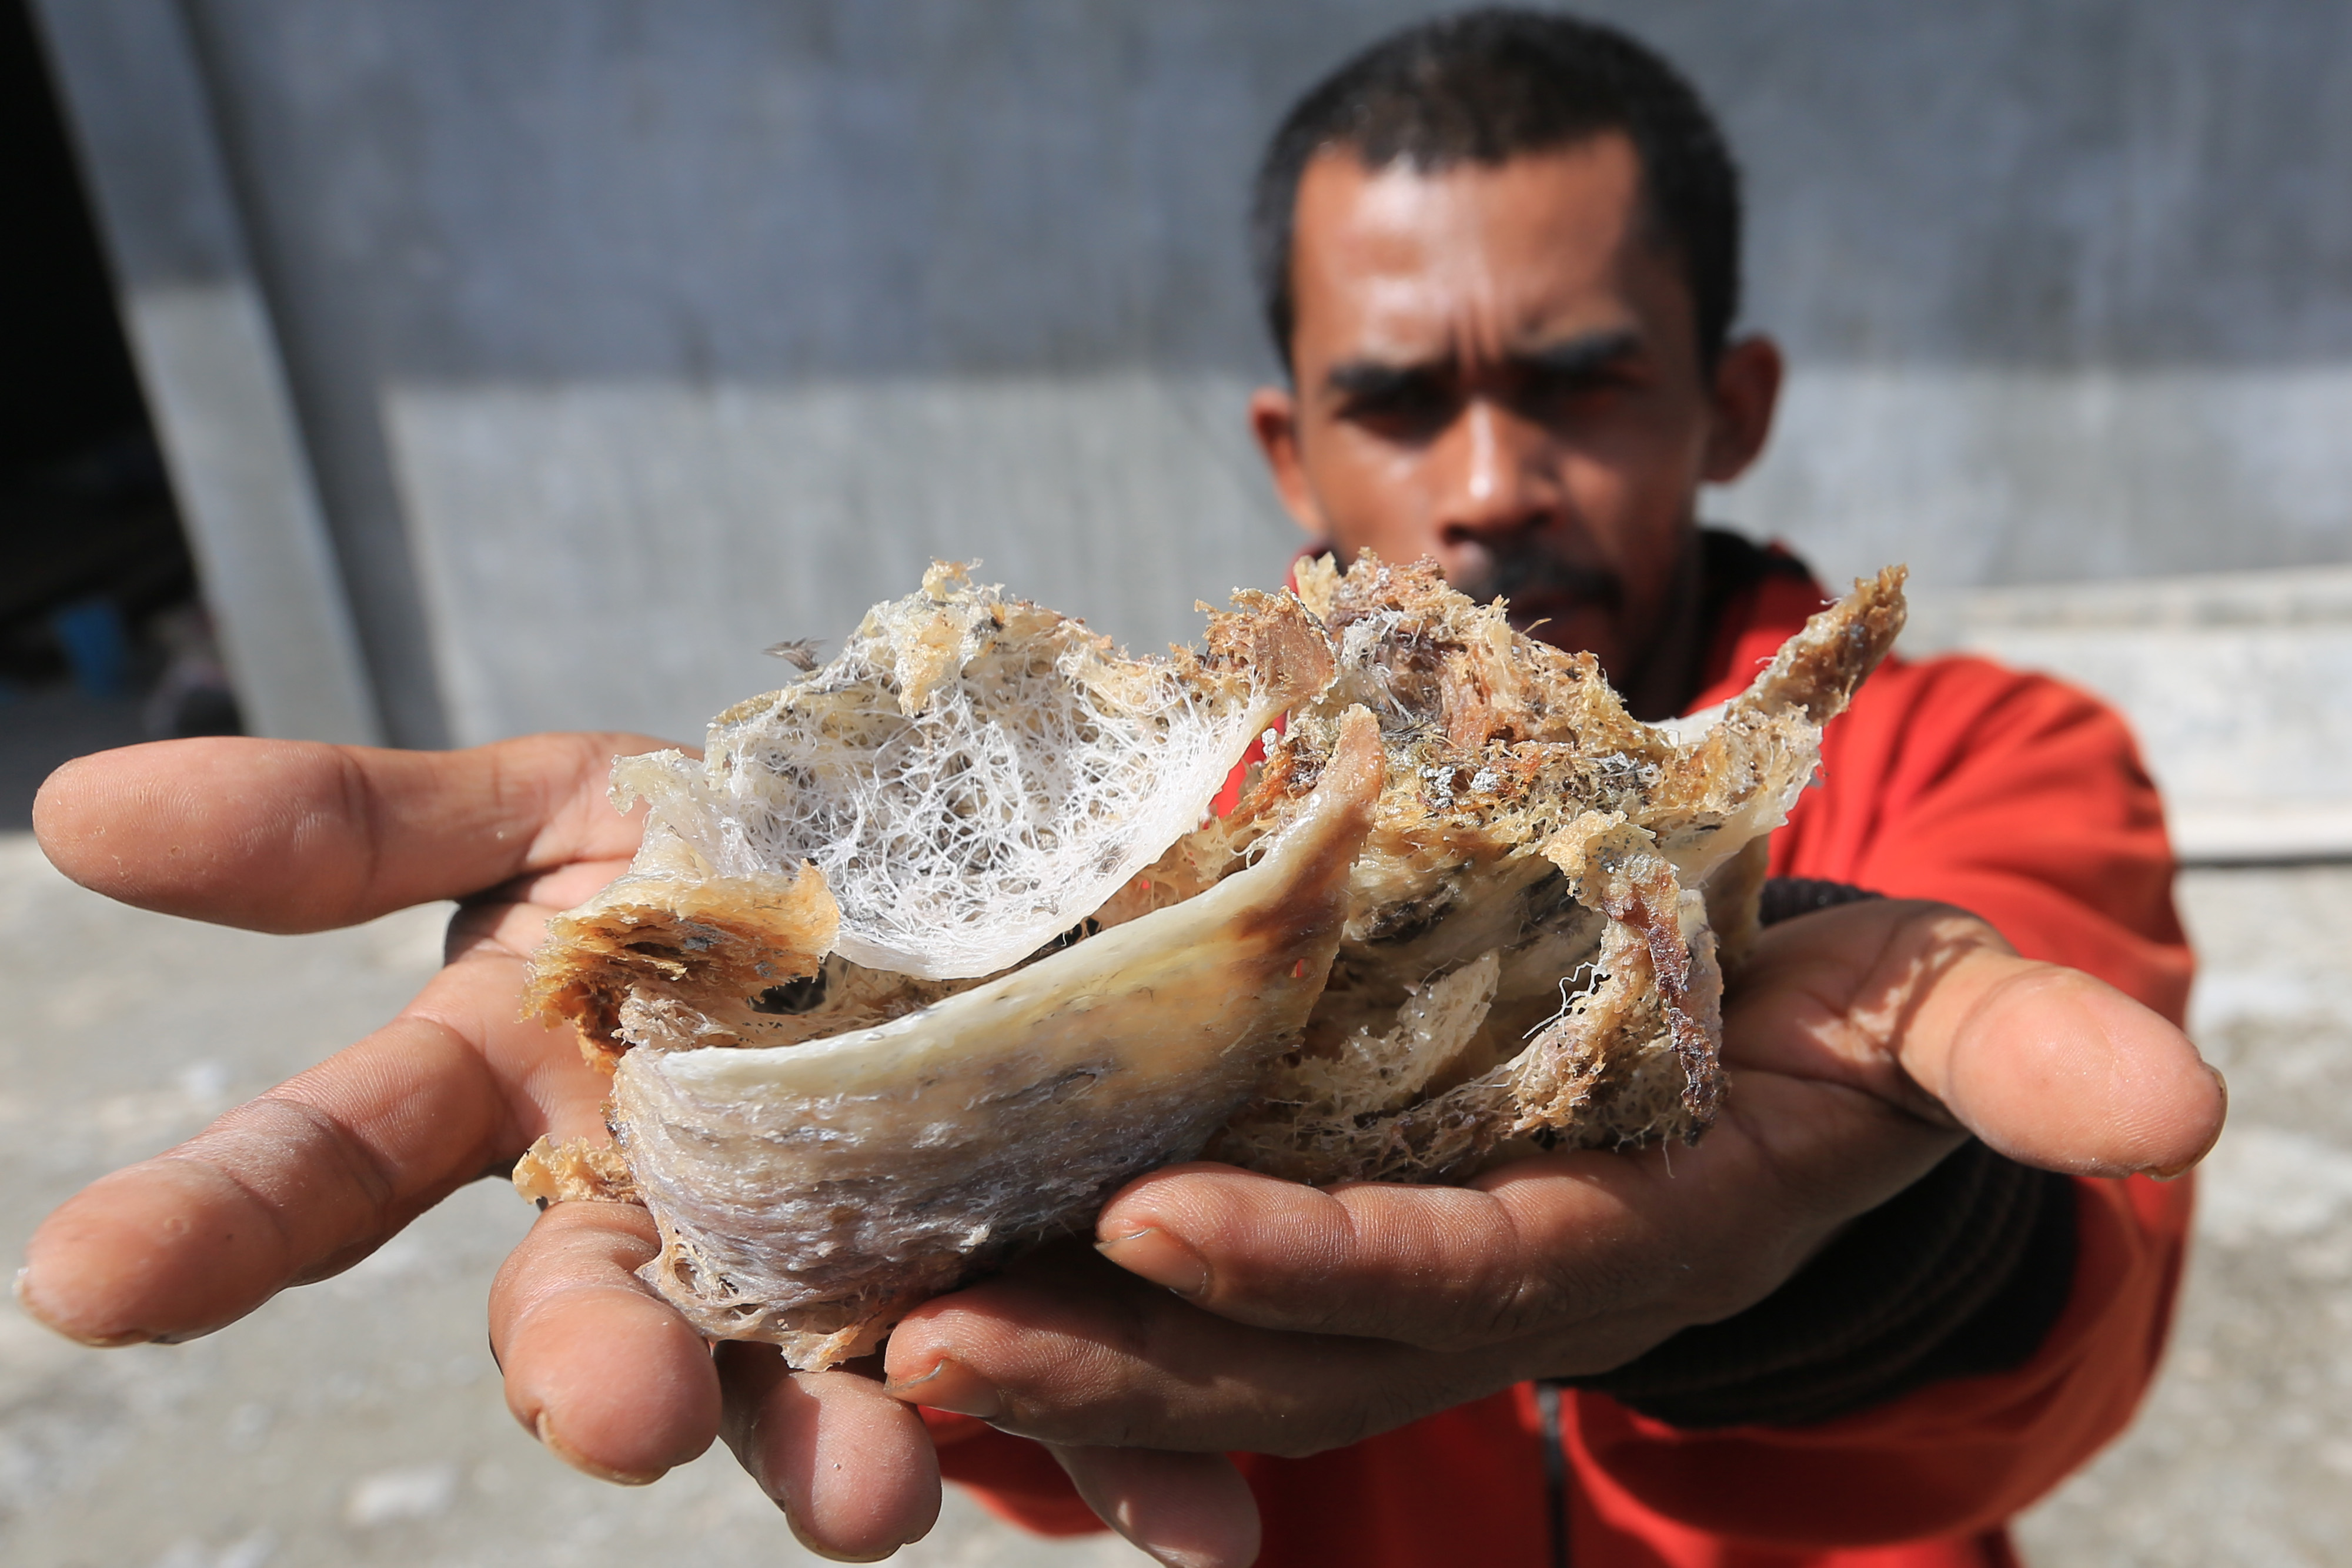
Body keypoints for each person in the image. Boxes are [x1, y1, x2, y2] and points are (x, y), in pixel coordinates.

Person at [18, 10, 2221, 1568]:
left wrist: (1857, 1217)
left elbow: (2070, 1349)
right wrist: (909, 1139)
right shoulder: (1170, 808)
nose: (1487, 482)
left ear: (1727, 403)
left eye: (1580, 383)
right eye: (1399, 399)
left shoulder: (1986, 755)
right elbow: (1024, 1423)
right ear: (1291, 446)